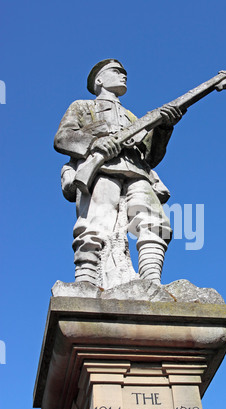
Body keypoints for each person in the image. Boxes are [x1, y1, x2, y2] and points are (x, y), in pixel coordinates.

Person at [54, 59, 183, 288]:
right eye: (116, 71)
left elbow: (150, 157)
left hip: (138, 173)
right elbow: (63, 138)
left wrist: (164, 127)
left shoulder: (133, 117)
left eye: (124, 72)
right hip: (102, 171)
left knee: (154, 222)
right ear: (100, 80)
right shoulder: (83, 107)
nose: (123, 75)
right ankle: (86, 281)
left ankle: (151, 281)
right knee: (96, 222)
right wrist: (95, 143)